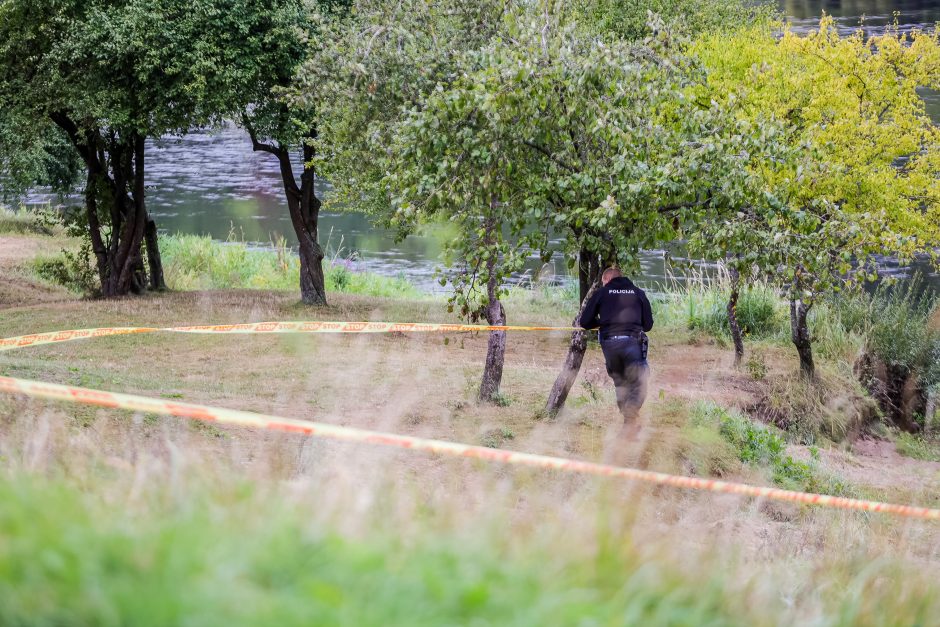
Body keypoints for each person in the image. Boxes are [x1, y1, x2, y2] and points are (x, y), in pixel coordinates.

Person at [578, 267, 653, 437]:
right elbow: (648, 325)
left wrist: (604, 321)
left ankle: (629, 424)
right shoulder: (638, 293)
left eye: (604, 283)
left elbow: (584, 321)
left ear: (607, 280)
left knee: (620, 382)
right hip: (632, 343)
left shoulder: (602, 293)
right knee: (640, 382)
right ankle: (629, 422)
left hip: (609, 344)